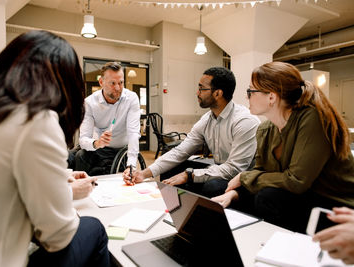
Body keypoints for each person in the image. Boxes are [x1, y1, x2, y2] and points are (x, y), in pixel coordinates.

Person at [0, 30, 109, 267]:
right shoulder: (35, 119)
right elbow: (57, 236)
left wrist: (62, 178)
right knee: (94, 227)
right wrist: (70, 192)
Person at [212, 61, 354, 233]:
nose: (247, 97)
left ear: (271, 97)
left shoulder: (312, 118)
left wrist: (243, 177)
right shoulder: (265, 130)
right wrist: (237, 193)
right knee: (218, 187)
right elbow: (261, 174)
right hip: (300, 195)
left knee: (268, 198)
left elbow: (296, 181)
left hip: (336, 204)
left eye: (250, 92)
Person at [123, 67, 260, 197]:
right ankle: (175, 210)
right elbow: (181, 151)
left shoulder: (244, 121)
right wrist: (144, 173)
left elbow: (234, 169)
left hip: (243, 177)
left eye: (201, 88)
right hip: (219, 168)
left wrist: (189, 175)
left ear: (218, 93)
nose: (197, 93)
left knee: (213, 185)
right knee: (172, 168)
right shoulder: (207, 119)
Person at [72, 62, 141, 175]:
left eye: (121, 82)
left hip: (122, 150)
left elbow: (133, 133)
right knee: (74, 157)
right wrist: (97, 143)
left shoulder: (131, 98)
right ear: (101, 82)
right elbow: (84, 138)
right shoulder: (89, 103)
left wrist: (131, 165)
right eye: (112, 83)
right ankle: (80, 189)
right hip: (100, 148)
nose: (118, 88)